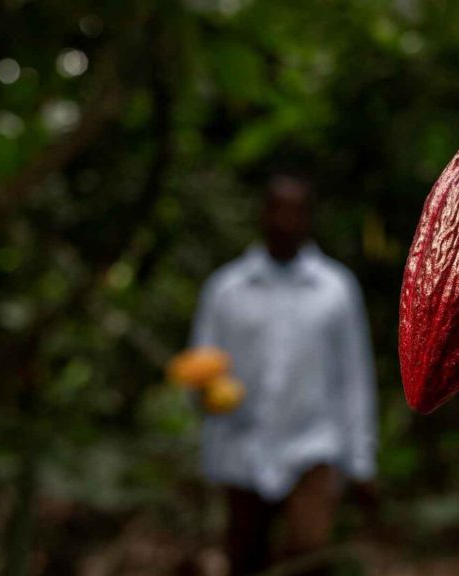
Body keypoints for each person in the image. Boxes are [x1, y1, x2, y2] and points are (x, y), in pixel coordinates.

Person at [190, 174, 377, 576]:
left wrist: (359, 459)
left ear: (309, 218)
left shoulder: (335, 289)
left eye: (297, 211)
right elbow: (201, 369)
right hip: (241, 452)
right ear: (263, 214)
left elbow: (353, 377)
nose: (287, 220)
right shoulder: (226, 290)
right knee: (246, 559)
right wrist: (207, 394)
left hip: (312, 449)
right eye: (279, 209)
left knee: (307, 559)